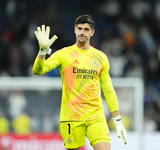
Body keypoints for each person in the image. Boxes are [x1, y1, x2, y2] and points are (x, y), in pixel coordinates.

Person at [32, 15, 127, 150]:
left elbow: (108, 89)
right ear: (75, 30)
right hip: (71, 117)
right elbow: (38, 70)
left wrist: (117, 120)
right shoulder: (64, 54)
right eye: (80, 28)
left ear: (92, 32)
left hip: (96, 117)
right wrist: (42, 52)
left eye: (86, 29)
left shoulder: (101, 57)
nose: (82, 32)